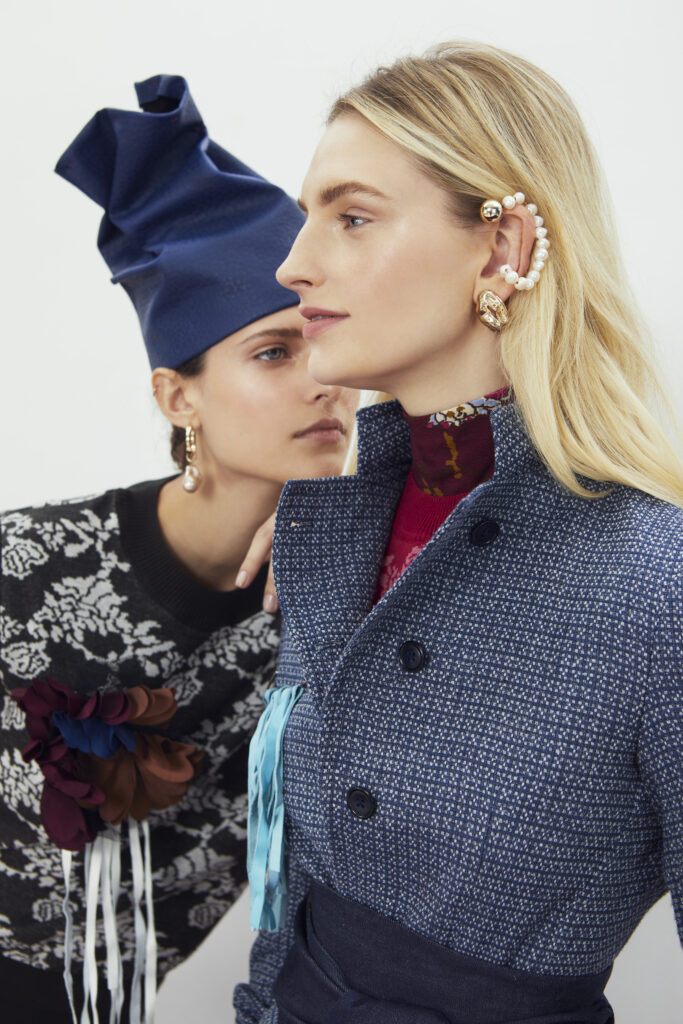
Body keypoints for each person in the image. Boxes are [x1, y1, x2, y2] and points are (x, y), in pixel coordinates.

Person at [234, 41, 683, 1024]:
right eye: (308, 216)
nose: (293, 264)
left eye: (351, 217)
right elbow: (290, 885)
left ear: (502, 248)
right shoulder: (326, 529)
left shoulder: (658, 583)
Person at [0, 74, 357, 1024]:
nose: (324, 381)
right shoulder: (24, 569)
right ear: (177, 395)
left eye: (327, 344)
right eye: (274, 353)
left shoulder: (347, 598)